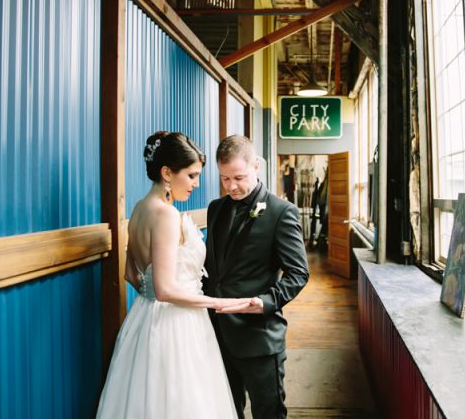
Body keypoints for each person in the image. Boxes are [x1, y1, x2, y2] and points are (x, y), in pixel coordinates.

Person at [96, 131, 248, 419]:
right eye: (191, 175)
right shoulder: (166, 215)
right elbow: (165, 290)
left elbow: (131, 274)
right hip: (176, 324)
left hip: (143, 319)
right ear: (167, 173)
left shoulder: (139, 208)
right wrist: (218, 303)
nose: (196, 184)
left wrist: (150, 297)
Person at [204, 135, 310, 419]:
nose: (231, 186)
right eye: (225, 178)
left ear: (256, 166)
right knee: (226, 411)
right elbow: (213, 269)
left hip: (259, 338)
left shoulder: (281, 212)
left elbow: (298, 273)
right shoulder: (215, 209)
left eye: (238, 177)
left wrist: (265, 302)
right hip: (216, 335)